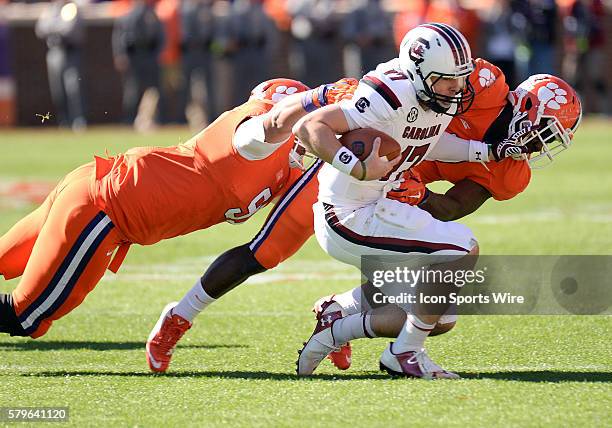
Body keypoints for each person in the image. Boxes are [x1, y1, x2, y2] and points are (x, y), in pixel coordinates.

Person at [145, 25, 538, 375]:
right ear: (420, 73)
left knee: (441, 307)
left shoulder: (437, 95)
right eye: (448, 82)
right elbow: (301, 122)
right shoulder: (383, 94)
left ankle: (339, 315)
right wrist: (355, 165)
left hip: (371, 193)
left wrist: (487, 152)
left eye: (459, 81)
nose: (458, 91)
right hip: (333, 179)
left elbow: (432, 142)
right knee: (262, 252)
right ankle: (180, 316)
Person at [0, 77, 363, 342]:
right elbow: (273, 124)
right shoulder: (252, 138)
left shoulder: (283, 164)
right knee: (27, 316)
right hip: (104, 208)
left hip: (100, 191)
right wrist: (321, 97)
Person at [312, 72, 584, 372]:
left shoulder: (512, 173)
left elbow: (453, 206)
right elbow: (424, 84)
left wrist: (420, 195)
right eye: (544, 132)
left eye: (550, 140)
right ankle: (399, 350)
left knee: (441, 316)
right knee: (455, 256)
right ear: (528, 107)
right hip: (375, 164)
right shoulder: (485, 88)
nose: (539, 145)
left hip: (402, 194)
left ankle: (338, 313)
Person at [35, 0, 86, 130]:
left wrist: (52, 26)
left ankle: (78, 120)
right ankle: (63, 121)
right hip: (54, 52)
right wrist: (58, 26)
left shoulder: (72, 8)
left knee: (73, 88)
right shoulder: (50, 9)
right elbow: (40, 29)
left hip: (70, 52)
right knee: (57, 90)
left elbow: (68, 30)